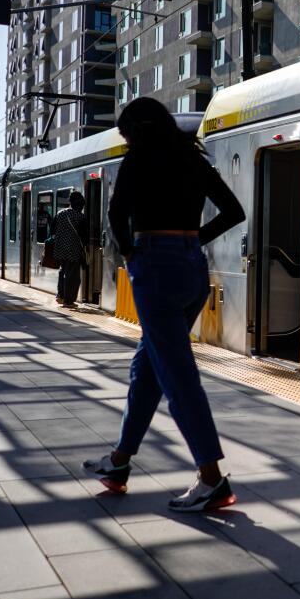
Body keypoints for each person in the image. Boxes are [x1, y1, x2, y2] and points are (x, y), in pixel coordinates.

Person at [83, 97, 246, 513]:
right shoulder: (194, 159)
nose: (126, 141)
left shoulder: (138, 161)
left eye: (126, 134)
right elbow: (234, 211)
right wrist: (193, 240)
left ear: (137, 130)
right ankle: (119, 463)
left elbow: (117, 213)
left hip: (155, 266)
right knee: (149, 365)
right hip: (192, 267)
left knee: (178, 375)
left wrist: (130, 252)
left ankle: (211, 480)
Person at [52, 192, 89, 308]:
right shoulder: (81, 217)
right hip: (73, 251)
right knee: (73, 277)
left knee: (63, 271)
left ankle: (60, 296)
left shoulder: (60, 214)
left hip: (59, 249)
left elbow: (52, 230)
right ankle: (69, 301)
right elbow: (84, 236)